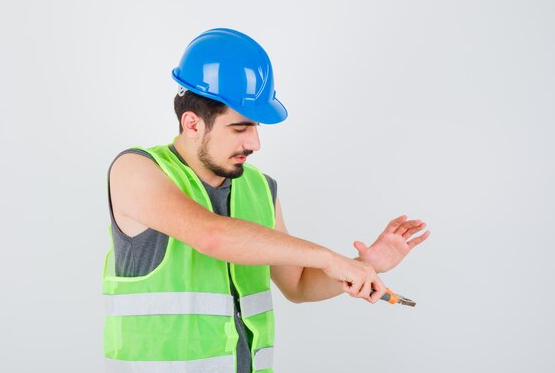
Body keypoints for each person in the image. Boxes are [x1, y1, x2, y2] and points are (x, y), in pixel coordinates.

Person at [103, 28, 430, 372]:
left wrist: (366, 264)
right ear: (192, 123)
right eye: (240, 128)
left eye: (256, 127)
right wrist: (328, 257)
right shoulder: (136, 170)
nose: (255, 143)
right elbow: (211, 235)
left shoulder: (259, 188)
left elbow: (299, 285)